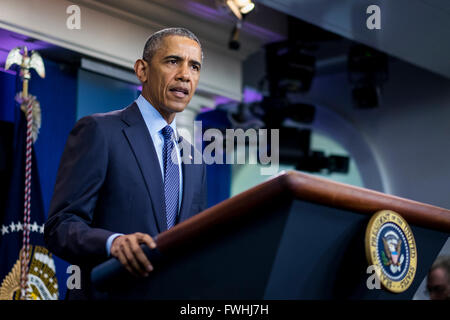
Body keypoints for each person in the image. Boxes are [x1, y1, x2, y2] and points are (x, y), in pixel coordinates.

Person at [44, 28, 207, 299]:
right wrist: (113, 243)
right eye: (172, 61)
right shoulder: (100, 131)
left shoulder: (194, 159)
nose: (184, 75)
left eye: (194, 66)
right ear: (142, 70)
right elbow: (60, 227)